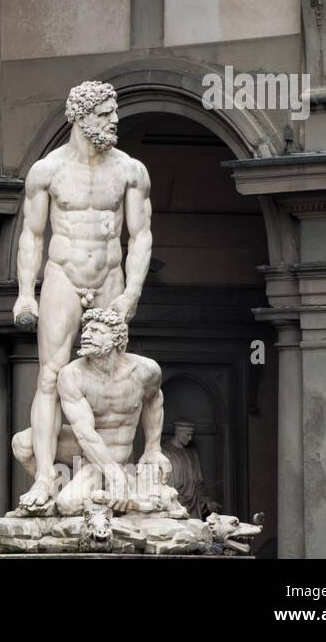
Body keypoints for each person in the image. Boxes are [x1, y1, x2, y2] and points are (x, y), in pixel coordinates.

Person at [12, 82, 153, 507]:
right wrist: (25, 293)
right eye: (105, 113)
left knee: (112, 370)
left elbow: (141, 236)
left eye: (114, 113)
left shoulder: (129, 170)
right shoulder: (48, 171)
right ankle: (42, 478)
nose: (114, 120)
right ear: (79, 115)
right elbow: (32, 237)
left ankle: (114, 468)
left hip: (109, 274)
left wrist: (131, 293)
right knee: (51, 376)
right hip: (63, 275)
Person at [11, 308, 172, 515]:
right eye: (85, 331)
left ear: (116, 338)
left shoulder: (145, 370)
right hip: (87, 449)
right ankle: (56, 489)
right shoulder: (72, 375)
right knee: (22, 443)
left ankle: (126, 498)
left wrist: (153, 448)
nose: (86, 335)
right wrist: (114, 475)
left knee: (68, 505)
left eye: (96, 331)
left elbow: (155, 399)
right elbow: (84, 433)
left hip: (116, 451)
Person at [163, 418, 221, 519]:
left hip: (193, 505)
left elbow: (198, 482)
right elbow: (164, 483)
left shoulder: (192, 453)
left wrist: (207, 501)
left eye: (191, 435)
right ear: (178, 432)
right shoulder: (166, 452)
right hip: (175, 504)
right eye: (187, 434)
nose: (190, 438)